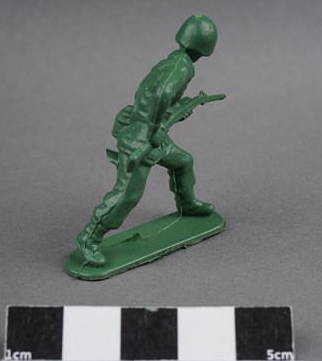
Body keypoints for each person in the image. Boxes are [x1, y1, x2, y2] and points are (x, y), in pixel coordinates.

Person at [76, 14, 219, 266]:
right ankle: (90, 238)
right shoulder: (181, 68)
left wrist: (181, 108)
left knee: (184, 162)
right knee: (128, 195)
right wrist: (154, 130)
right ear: (205, 47)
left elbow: (158, 99)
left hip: (148, 132)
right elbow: (163, 94)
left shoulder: (172, 61)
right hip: (141, 139)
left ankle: (187, 204)